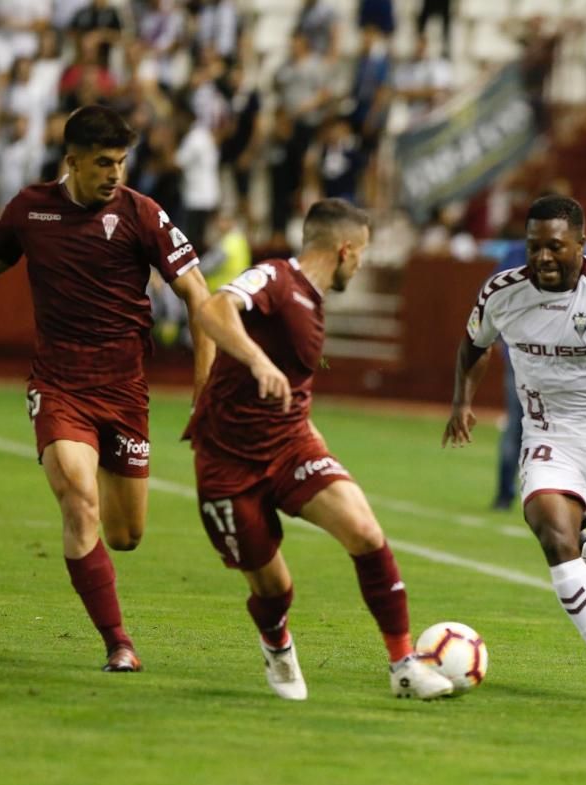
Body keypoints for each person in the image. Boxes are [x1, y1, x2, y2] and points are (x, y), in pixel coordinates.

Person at [0, 105, 215, 672]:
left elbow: (198, 295)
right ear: (71, 162)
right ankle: (119, 642)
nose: (114, 174)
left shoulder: (143, 214)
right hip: (59, 386)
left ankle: (102, 545)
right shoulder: (30, 209)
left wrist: (206, 390)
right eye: (102, 163)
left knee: (125, 535)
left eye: (120, 162)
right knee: (78, 496)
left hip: (124, 392)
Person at [185, 198, 454, 702]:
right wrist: (257, 361)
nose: (362, 264)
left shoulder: (312, 300)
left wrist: (312, 438)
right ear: (345, 249)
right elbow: (213, 308)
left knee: (366, 533)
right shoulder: (275, 278)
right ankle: (278, 647)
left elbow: (296, 382)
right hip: (228, 460)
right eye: (363, 254)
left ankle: (403, 665)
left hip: (290, 446)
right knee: (273, 589)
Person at [443, 195, 586, 703]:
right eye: (534, 247)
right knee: (550, 528)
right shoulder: (503, 292)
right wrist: (462, 401)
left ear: (581, 246)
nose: (543, 258)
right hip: (549, 436)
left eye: (555, 247)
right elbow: (474, 345)